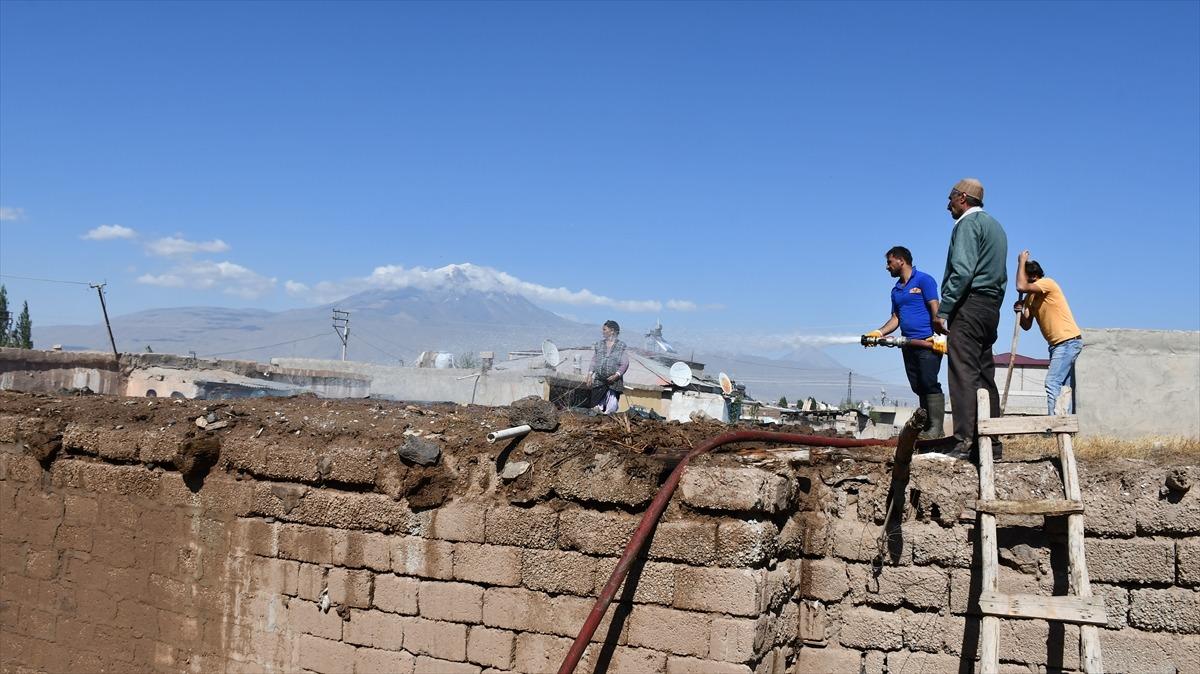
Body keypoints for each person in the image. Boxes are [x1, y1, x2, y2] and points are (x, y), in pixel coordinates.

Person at [932, 178, 1008, 458]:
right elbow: (1001, 276)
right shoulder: (996, 227)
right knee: (985, 375)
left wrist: (944, 309)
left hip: (969, 305)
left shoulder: (967, 224)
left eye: (950, 199)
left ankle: (963, 442)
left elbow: (963, 271)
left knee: (963, 373)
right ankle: (992, 443)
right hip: (990, 308)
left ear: (962, 198)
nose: (948, 205)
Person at [863, 246, 947, 438]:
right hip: (908, 345)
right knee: (917, 385)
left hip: (928, 342)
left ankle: (936, 429)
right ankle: (927, 427)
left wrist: (939, 334)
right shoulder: (896, 290)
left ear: (901, 260)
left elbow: (935, 307)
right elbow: (896, 318)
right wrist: (878, 333)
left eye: (889, 262)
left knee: (928, 382)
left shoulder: (924, 280)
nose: (887, 267)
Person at [1014, 251, 1082, 414]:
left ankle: (1053, 423)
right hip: (1056, 345)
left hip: (1067, 341)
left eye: (1025, 277)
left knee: (1052, 382)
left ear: (1034, 276)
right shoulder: (1030, 298)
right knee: (1063, 388)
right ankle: (1065, 424)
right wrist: (1019, 312)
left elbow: (1020, 286)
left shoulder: (1047, 283)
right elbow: (1027, 325)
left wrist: (1021, 262)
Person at [588, 320, 629, 414]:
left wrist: (616, 375)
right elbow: (594, 360)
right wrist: (590, 374)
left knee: (610, 409)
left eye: (604, 329)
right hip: (599, 381)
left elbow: (625, 363)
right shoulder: (599, 345)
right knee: (594, 408)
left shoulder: (621, 346)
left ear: (612, 331)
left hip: (613, 383)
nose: (602, 332)